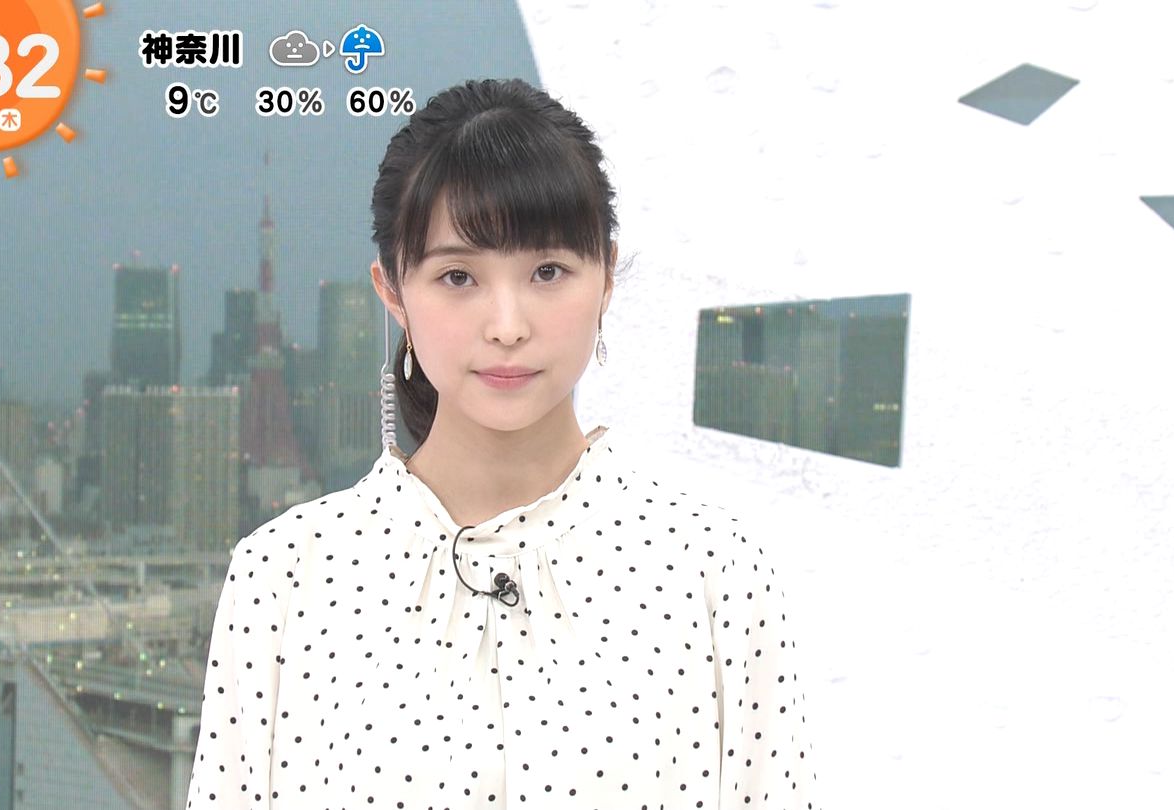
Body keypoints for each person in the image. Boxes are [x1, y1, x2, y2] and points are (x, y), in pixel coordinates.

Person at [184, 77, 820, 809]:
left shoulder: (714, 570)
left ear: (606, 279)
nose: (508, 326)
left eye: (548, 272)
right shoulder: (284, 576)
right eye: (458, 276)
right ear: (392, 292)